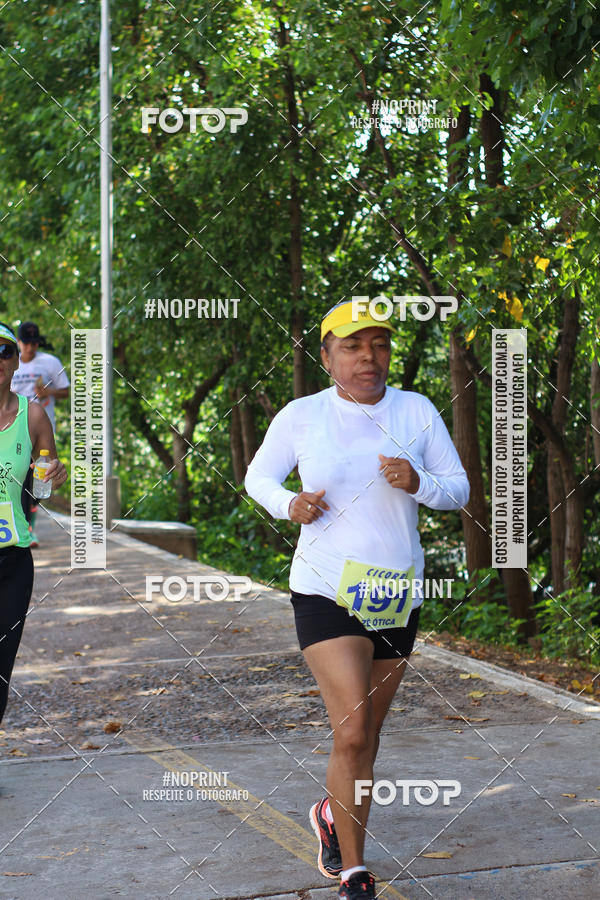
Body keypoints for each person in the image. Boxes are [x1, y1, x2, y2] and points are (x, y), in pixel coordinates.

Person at [245, 300, 470, 900]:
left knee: (365, 736)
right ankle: (354, 871)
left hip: (394, 592)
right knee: (351, 731)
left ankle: (330, 812)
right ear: (327, 357)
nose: (368, 356)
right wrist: (289, 504)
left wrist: (419, 482)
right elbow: (257, 477)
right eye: (352, 346)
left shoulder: (416, 410)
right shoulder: (302, 415)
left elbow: (459, 489)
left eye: (379, 344)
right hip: (324, 588)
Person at [0, 322, 67, 724]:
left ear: (15, 362)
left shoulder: (34, 417)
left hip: (12, 562)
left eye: (4, 351)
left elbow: (41, 490)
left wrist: (53, 477)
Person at [11, 321, 69, 547]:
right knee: (19, 480)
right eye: (26, 343)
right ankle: (24, 529)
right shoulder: (9, 361)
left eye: (34, 343)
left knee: (39, 482)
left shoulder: (50, 362)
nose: (30, 347)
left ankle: (27, 527)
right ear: (18, 342)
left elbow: (66, 390)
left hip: (41, 430)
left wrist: (49, 391)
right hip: (14, 429)